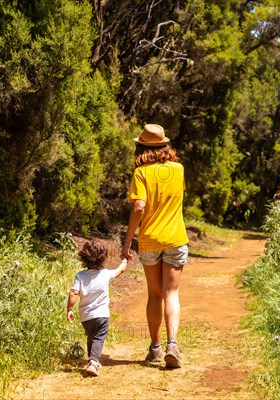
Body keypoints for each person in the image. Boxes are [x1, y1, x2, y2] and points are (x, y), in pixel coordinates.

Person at [120, 124, 189, 369]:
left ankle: (155, 348)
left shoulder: (141, 173)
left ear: (141, 147)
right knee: (172, 294)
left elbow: (139, 206)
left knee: (155, 294)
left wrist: (128, 241)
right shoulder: (179, 169)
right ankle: (173, 344)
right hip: (175, 238)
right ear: (165, 145)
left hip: (150, 239)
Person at [67, 240, 127, 376]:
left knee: (91, 337)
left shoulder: (80, 275)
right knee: (99, 338)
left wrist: (70, 309)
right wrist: (124, 259)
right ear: (103, 258)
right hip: (101, 315)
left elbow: (74, 292)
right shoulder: (105, 274)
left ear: (83, 257)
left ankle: (91, 361)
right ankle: (94, 362)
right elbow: (121, 270)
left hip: (85, 316)